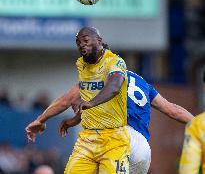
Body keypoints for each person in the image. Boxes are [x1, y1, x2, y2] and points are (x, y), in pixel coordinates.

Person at [26, 70, 194, 174]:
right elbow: (173, 110)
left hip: (115, 138)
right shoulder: (142, 83)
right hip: (142, 148)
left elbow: (64, 101)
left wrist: (40, 119)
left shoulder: (100, 76)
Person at [26, 27, 130, 174]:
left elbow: (114, 86)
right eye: (78, 42)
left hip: (114, 139)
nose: (81, 44)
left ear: (99, 41)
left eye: (86, 40)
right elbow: (67, 100)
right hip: (87, 139)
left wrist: (91, 102)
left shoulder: (114, 61)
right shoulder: (82, 65)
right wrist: (42, 119)